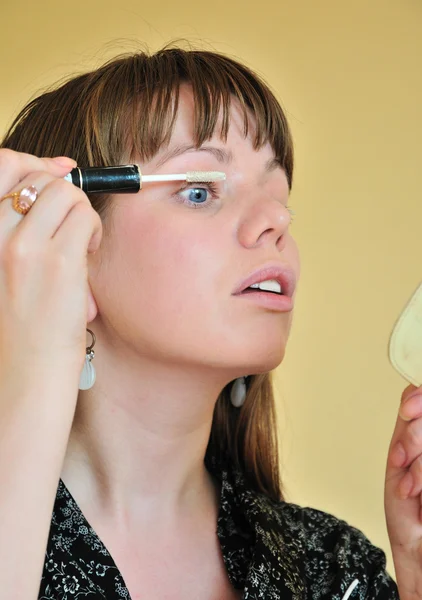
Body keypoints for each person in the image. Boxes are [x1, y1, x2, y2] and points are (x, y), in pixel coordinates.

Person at [0, 46, 399, 599]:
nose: (276, 221)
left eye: (282, 197)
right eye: (199, 191)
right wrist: (32, 363)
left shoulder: (334, 570)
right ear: (65, 249)